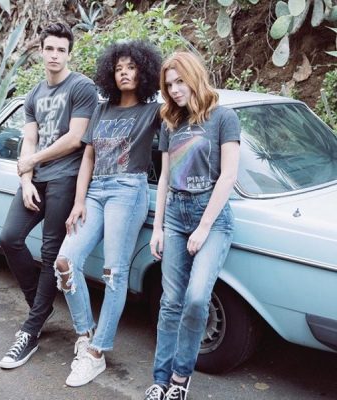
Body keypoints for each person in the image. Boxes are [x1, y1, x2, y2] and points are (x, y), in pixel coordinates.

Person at [53, 40, 162, 387]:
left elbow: (185, 124)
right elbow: (88, 157)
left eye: (131, 67)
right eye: (118, 69)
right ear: (110, 74)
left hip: (128, 191)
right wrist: (79, 201)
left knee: (114, 272)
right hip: (95, 192)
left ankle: (97, 353)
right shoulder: (102, 109)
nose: (124, 73)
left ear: (144, 72)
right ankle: (85, 334)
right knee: (65, 262)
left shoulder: (153, 111)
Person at [0, 22, 98, 369]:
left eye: (61, 50)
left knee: (49, 251)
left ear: (69, 54)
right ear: (41, 51)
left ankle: (31, 329)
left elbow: (75, 138)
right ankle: (40, 309)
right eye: (50, 49)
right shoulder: (33, 95)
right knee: (9, 238)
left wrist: (32, 161)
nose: (55, 55)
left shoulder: (82, 87)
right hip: (37, 179)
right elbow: (29, 139)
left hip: (65, 179)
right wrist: (26, 180)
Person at [144, 52, 241, 400]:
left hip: (211, 218)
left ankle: (181, 377)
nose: (174, 90)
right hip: (175, 214)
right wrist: (158, 228)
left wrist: (203, 227)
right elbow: (165, 178)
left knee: (197, 298)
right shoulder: (171, 122)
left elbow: (228, 176)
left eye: (180, 81)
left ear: (195, 77)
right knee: (170, 301)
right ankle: (161, 379)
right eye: (169, 85)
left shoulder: (223, 118)